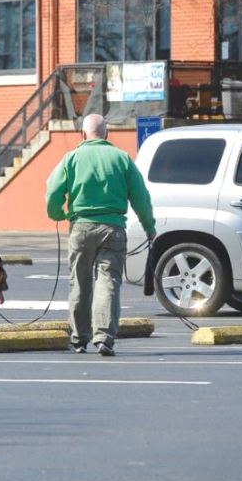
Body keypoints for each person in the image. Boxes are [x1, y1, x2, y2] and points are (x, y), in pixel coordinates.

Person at [45, 114, 156, 357]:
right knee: (108, 282)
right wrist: (150, 227)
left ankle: (79, 338)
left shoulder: (71, 158)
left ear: (83, 135)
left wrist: (58, 215)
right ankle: (104, 337)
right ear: (106, 134)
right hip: (113, 228)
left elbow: (53, 190)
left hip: (81, 227)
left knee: (80, 282)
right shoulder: (121, 158)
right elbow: (141, 198)